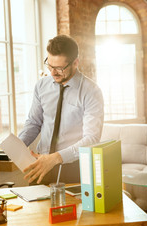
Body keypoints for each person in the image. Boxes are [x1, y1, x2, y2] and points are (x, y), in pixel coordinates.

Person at [18, 35, 104, 185]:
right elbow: (34, 122)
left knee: (73, 208)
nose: (52, 73)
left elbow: (92, 139)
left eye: (59, 68)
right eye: (49, 66)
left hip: (74, 168)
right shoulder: (41, 86)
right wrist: (18, 145)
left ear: (75, 63)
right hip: (41, 164)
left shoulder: (91, 92)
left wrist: (56, 158)